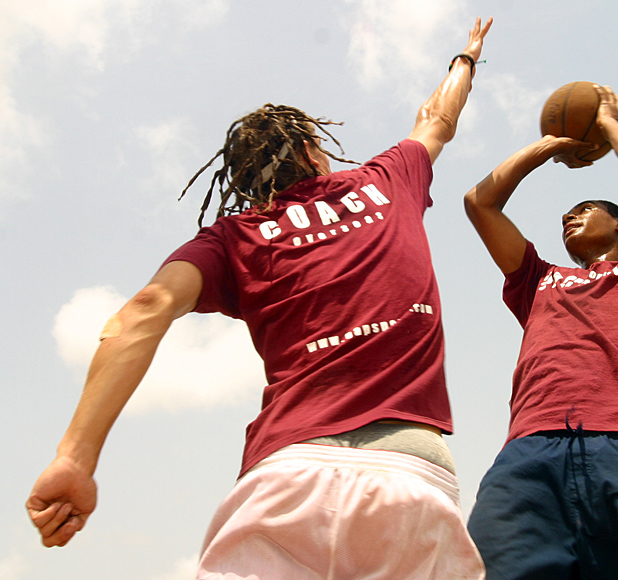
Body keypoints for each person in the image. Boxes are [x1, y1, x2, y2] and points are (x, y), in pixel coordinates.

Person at [27, 17, 493, 580]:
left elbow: (144, 310)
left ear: (241, 180)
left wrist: (74, 457)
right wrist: (466, 58)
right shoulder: (386, 179)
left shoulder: (230, 239)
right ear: (309, 147)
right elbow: (437, 119)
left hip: (285, 473)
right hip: (407, 468)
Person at [464, 85, 618, 580]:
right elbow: (480, 203)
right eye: (566, 215)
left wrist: (607, 121)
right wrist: (550, 144)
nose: (569, 216)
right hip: (531, 450)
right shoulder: (538, 279)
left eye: (586, 209)